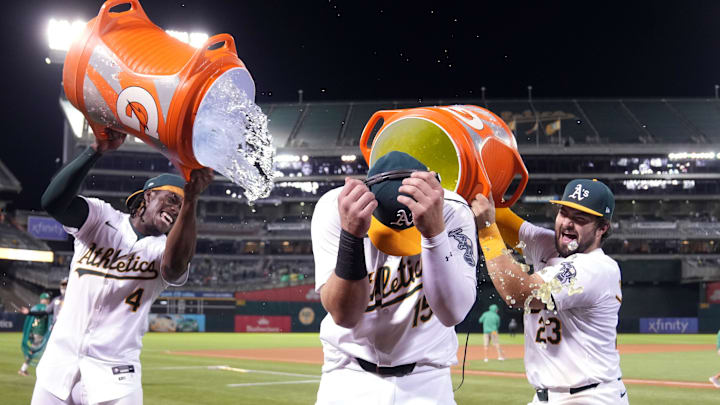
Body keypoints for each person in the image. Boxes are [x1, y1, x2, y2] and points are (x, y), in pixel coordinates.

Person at [31, 128, 213, 405]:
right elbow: (52, 203)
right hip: (58, 367)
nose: (176, 209)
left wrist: (191, 200)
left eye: (181, 205)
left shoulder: (163, 249)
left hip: (115, 379)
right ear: (148, 197)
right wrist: (96, 150)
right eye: (172, 199)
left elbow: (175, 267)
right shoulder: (101, 218)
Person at [312, 151, 478, 405]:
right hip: (348, 376)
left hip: (428, 379)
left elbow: (453, 312)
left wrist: (434, 234)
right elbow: (343, 315)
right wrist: (351, 237)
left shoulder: (452, 209)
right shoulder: (336, 206)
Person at [471, 179, 628, 404]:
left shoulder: (597, 268)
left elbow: (518, 294)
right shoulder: (549, 244)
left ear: (602, 228)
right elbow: (505, 221)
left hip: (589, 396)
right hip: (545, 396)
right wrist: (477, 187)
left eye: (580, 219)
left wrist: (487, 230)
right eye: (564, 213)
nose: (567, 223)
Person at [18, 293, 52, 377]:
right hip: (40, 333)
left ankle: (24, 369)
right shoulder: (47, 308)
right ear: (43, 299)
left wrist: (30, 333)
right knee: (37, 351)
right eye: (46, 299)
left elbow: (29, 321)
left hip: (33, 332)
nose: (47, 301)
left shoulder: (35, 307)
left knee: (38, 351)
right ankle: (23, 369)